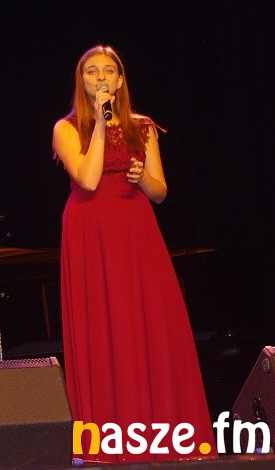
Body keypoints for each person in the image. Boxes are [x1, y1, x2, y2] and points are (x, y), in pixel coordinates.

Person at [52, 45, 216, 463]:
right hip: (90, 233)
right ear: (81, 81)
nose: (101, 77)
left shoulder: (142, 127)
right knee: (103, 327)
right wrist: (101, 124)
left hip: (135, 230)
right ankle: (110, 444)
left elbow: (160, 192)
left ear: (121, 80)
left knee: (149, 323)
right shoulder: (66, 129)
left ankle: (163, 437)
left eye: (109, 71)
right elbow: (88, 179)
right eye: (92, 71)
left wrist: (143, 178)